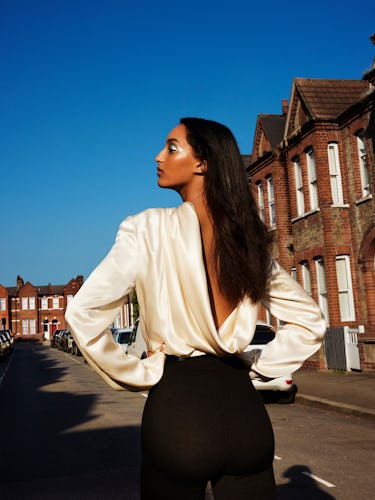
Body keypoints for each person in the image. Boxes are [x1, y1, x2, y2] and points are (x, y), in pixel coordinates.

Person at [65, 117, 326, 499]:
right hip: (244, 415)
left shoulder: (146, 230)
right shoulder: (246, 240)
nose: (158, 156)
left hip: (178, 413)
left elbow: (82, 313)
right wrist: (256, 366)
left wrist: (139, 371)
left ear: (202, 162)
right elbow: (310, 321)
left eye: (172, 147)